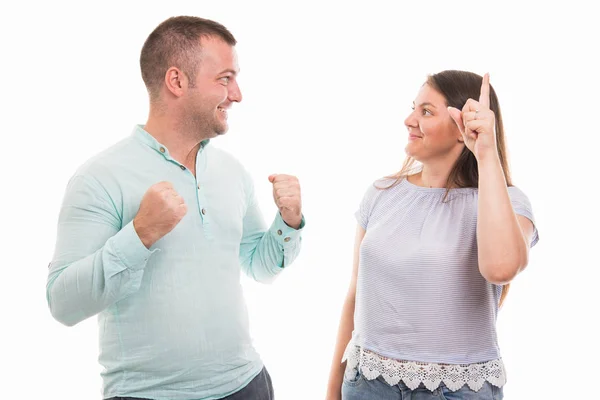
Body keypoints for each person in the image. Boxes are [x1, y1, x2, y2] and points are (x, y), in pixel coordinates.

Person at [46, 16, 304, 400]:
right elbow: (63, 303)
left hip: (247, 385)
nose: (237, 94)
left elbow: (258, 266)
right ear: (177, 81)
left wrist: (289, 222)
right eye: (225, 78)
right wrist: (140, 234)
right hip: (147, 394)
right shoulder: (99, 177)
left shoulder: (232, 172)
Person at [326, 70, 538, 400]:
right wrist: (332, 390)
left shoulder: (508, 202)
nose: (409, 120)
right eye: (414, 108)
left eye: (426, 111)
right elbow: (355, 295)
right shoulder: (381, 193)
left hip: (457, 390)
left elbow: (501, 268)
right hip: (366, 383)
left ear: (463, 129)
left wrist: (486, 153)